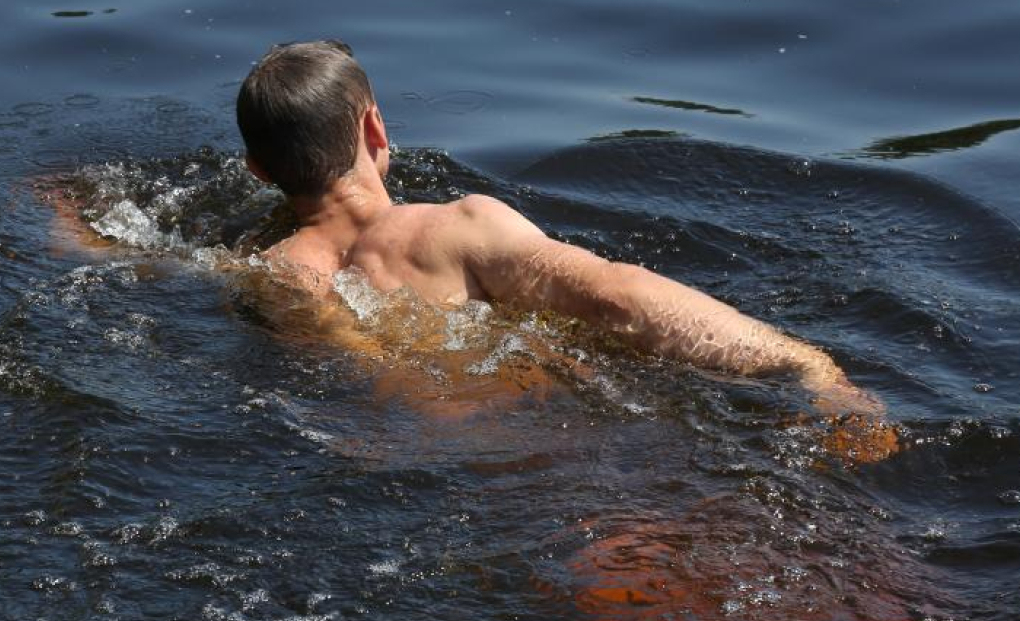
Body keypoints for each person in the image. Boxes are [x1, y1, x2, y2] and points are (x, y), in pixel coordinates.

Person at [236, 40, 883, 418]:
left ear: (259, 170)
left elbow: (371, 374)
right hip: (568, 429)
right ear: (375, 128)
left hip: (461, 471)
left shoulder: (272, 274)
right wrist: (806, 365)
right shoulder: (456, 229)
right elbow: (618, 296)